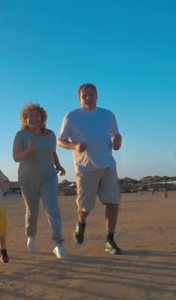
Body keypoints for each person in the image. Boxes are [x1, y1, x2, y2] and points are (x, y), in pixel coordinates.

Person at [58, 83, 123, 254]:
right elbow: (61, 140)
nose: (88, 98)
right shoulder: (71, 116)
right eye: (85, 95)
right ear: (79, 98)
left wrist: (117, 140)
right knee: (86, 206)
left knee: (112, 202)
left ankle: (110, 240)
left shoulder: (107, 115)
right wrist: (74, 146)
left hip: (108, 165)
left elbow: (116, 135)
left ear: (97, 96)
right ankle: (81, 223)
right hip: (85, 168)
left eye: (91, 95)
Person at [13, 102, 68, 259]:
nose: (34, 118)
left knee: (52, 208)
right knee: (33, 211)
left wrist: (58, 164)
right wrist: (28, 150)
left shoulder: (50, 135)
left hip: (48, 177)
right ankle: (31, 236)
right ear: (25, 119)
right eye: (30, 116)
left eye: (36, 115)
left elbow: (52, 152)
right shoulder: (21, 135)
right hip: (28, 178)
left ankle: (58, 244)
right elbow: (16, 157)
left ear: (42, 118)